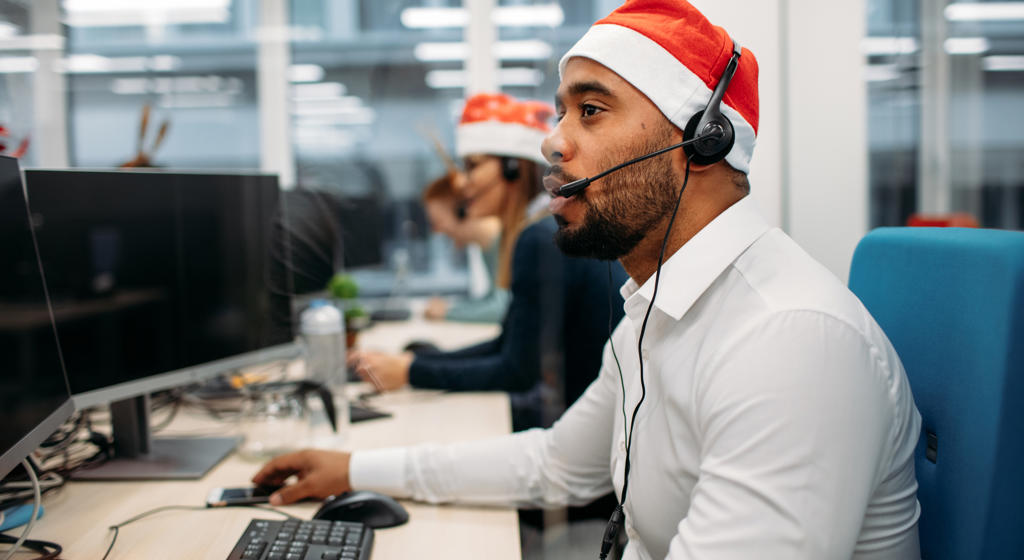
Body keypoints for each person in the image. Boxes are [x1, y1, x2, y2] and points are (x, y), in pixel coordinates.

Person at [254, 2, 922, 558]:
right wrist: (354, 470)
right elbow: (555, 464)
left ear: (702, 141)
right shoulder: (652, 311)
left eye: (591, 110)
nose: (552, 141)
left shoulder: (788, 341)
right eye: (561, 113)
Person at [350, 92, 627, 430]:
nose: (462, 184)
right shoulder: (544, 227)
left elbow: (517, 370)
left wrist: (411, 372)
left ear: (513, 168)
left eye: (473, 167)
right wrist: (413, 362)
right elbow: (508, 345)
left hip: (594, 431)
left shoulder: (541, 238)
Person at [420, 172, 509, 324]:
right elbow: (490, 298)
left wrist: (448, 313)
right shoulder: (487, 246)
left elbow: (501, 309)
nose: (437, 231)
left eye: (438, 222)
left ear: (462, 211)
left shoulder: (505, 240)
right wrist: (450, 308)